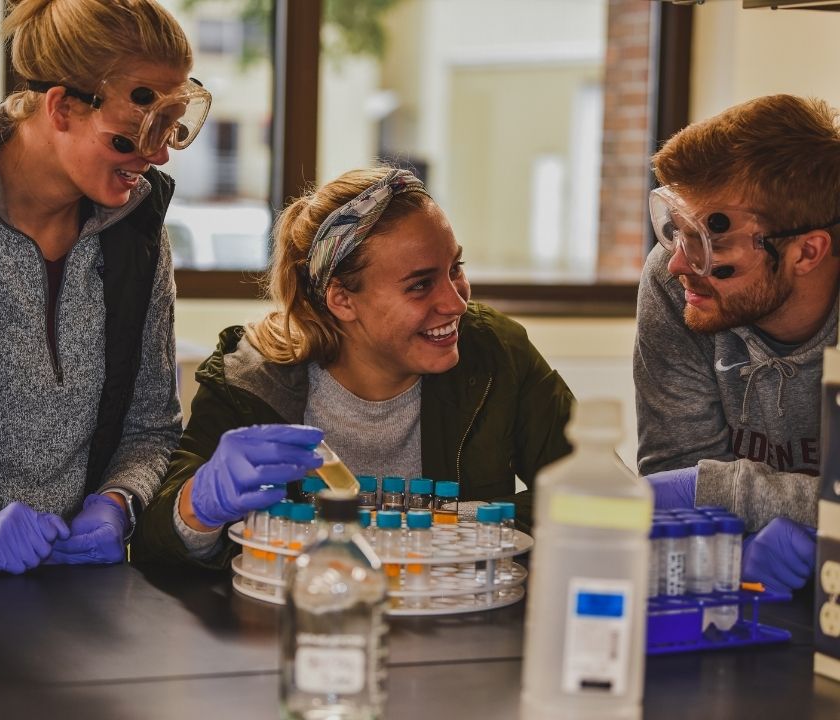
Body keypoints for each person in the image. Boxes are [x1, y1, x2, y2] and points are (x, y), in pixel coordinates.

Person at [0, 0, 210, 572]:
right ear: (61, 108)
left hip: (72, 600)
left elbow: (150, 426)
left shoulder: (137, 236)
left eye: (170, 131)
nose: (156, 157)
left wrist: (118, 501)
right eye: (131, 139)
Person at [133, 166, 575, 566]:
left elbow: (589, 492)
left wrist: (459, 526)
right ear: (342, 299)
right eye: (420, 285)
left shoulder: (495, 355)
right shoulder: (251, 380)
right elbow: (157, 542)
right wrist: (198, 508)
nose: (456, 301)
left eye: (455, 268)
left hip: (454, 623)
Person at [634, 94, 840, 592]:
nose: (681, 264)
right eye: (677, 232)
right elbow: (679, 472)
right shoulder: (674, 284)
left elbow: (696, 486)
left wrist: (717, 489)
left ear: (807, 251)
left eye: (711, 241)